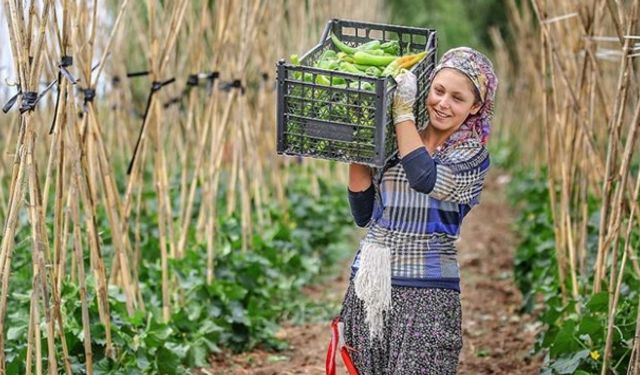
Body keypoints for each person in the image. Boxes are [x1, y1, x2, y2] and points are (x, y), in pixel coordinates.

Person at [329, 47, 498, 375]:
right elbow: (364, 215)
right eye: (438, 91)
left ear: (475, 107)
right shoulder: (395, 142)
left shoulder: (471, 155)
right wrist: (359, 143)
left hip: (428, 294)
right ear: (428, 87)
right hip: (371, 286)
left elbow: (424, 176)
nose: (443, 103)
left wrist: (402, 112)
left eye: (457, 98)